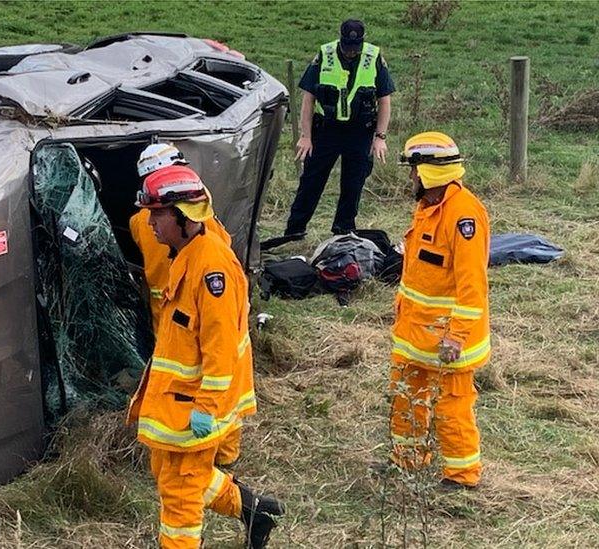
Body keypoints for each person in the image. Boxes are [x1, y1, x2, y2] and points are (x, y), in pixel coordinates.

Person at [125, 164, 284, 548]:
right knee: (170, 470)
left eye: (158, 215)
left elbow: (221, 347)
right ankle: (255, 509)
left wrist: (206, 407)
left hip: (197, 404)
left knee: (180, 493)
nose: (150, 224)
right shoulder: (186, 251)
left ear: (183, 217)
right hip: (177, 399)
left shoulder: (212, 267)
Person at [389, 131, 490, 490]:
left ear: (429, 172)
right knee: (406, 395)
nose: (411, 177)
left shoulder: (464, 216)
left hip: (449, 341)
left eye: (414, 170)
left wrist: (456, 336)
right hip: (415, 334)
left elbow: (472, 286)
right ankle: (407, 462)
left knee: (453, 406)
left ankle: (462, 478)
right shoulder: (429, 207)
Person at [129, 143, 242, 466]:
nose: (153, 222)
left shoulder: (141, 225)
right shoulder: (201, 235)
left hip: (172, 317)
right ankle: (223, 458)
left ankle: (212, 460)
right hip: (183, 317)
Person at [282, 19, 395, 241]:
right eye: (347, 47)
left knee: (354, 182)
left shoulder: (373, 57)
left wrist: (380, 137)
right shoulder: (325, 55)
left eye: (355, 48)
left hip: (360, 131)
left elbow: (384, 99)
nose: (351, 52)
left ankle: (343, 229)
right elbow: (308, 99)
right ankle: (294, 230)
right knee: (311, 181)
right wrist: (306, 136)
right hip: (327, 129)